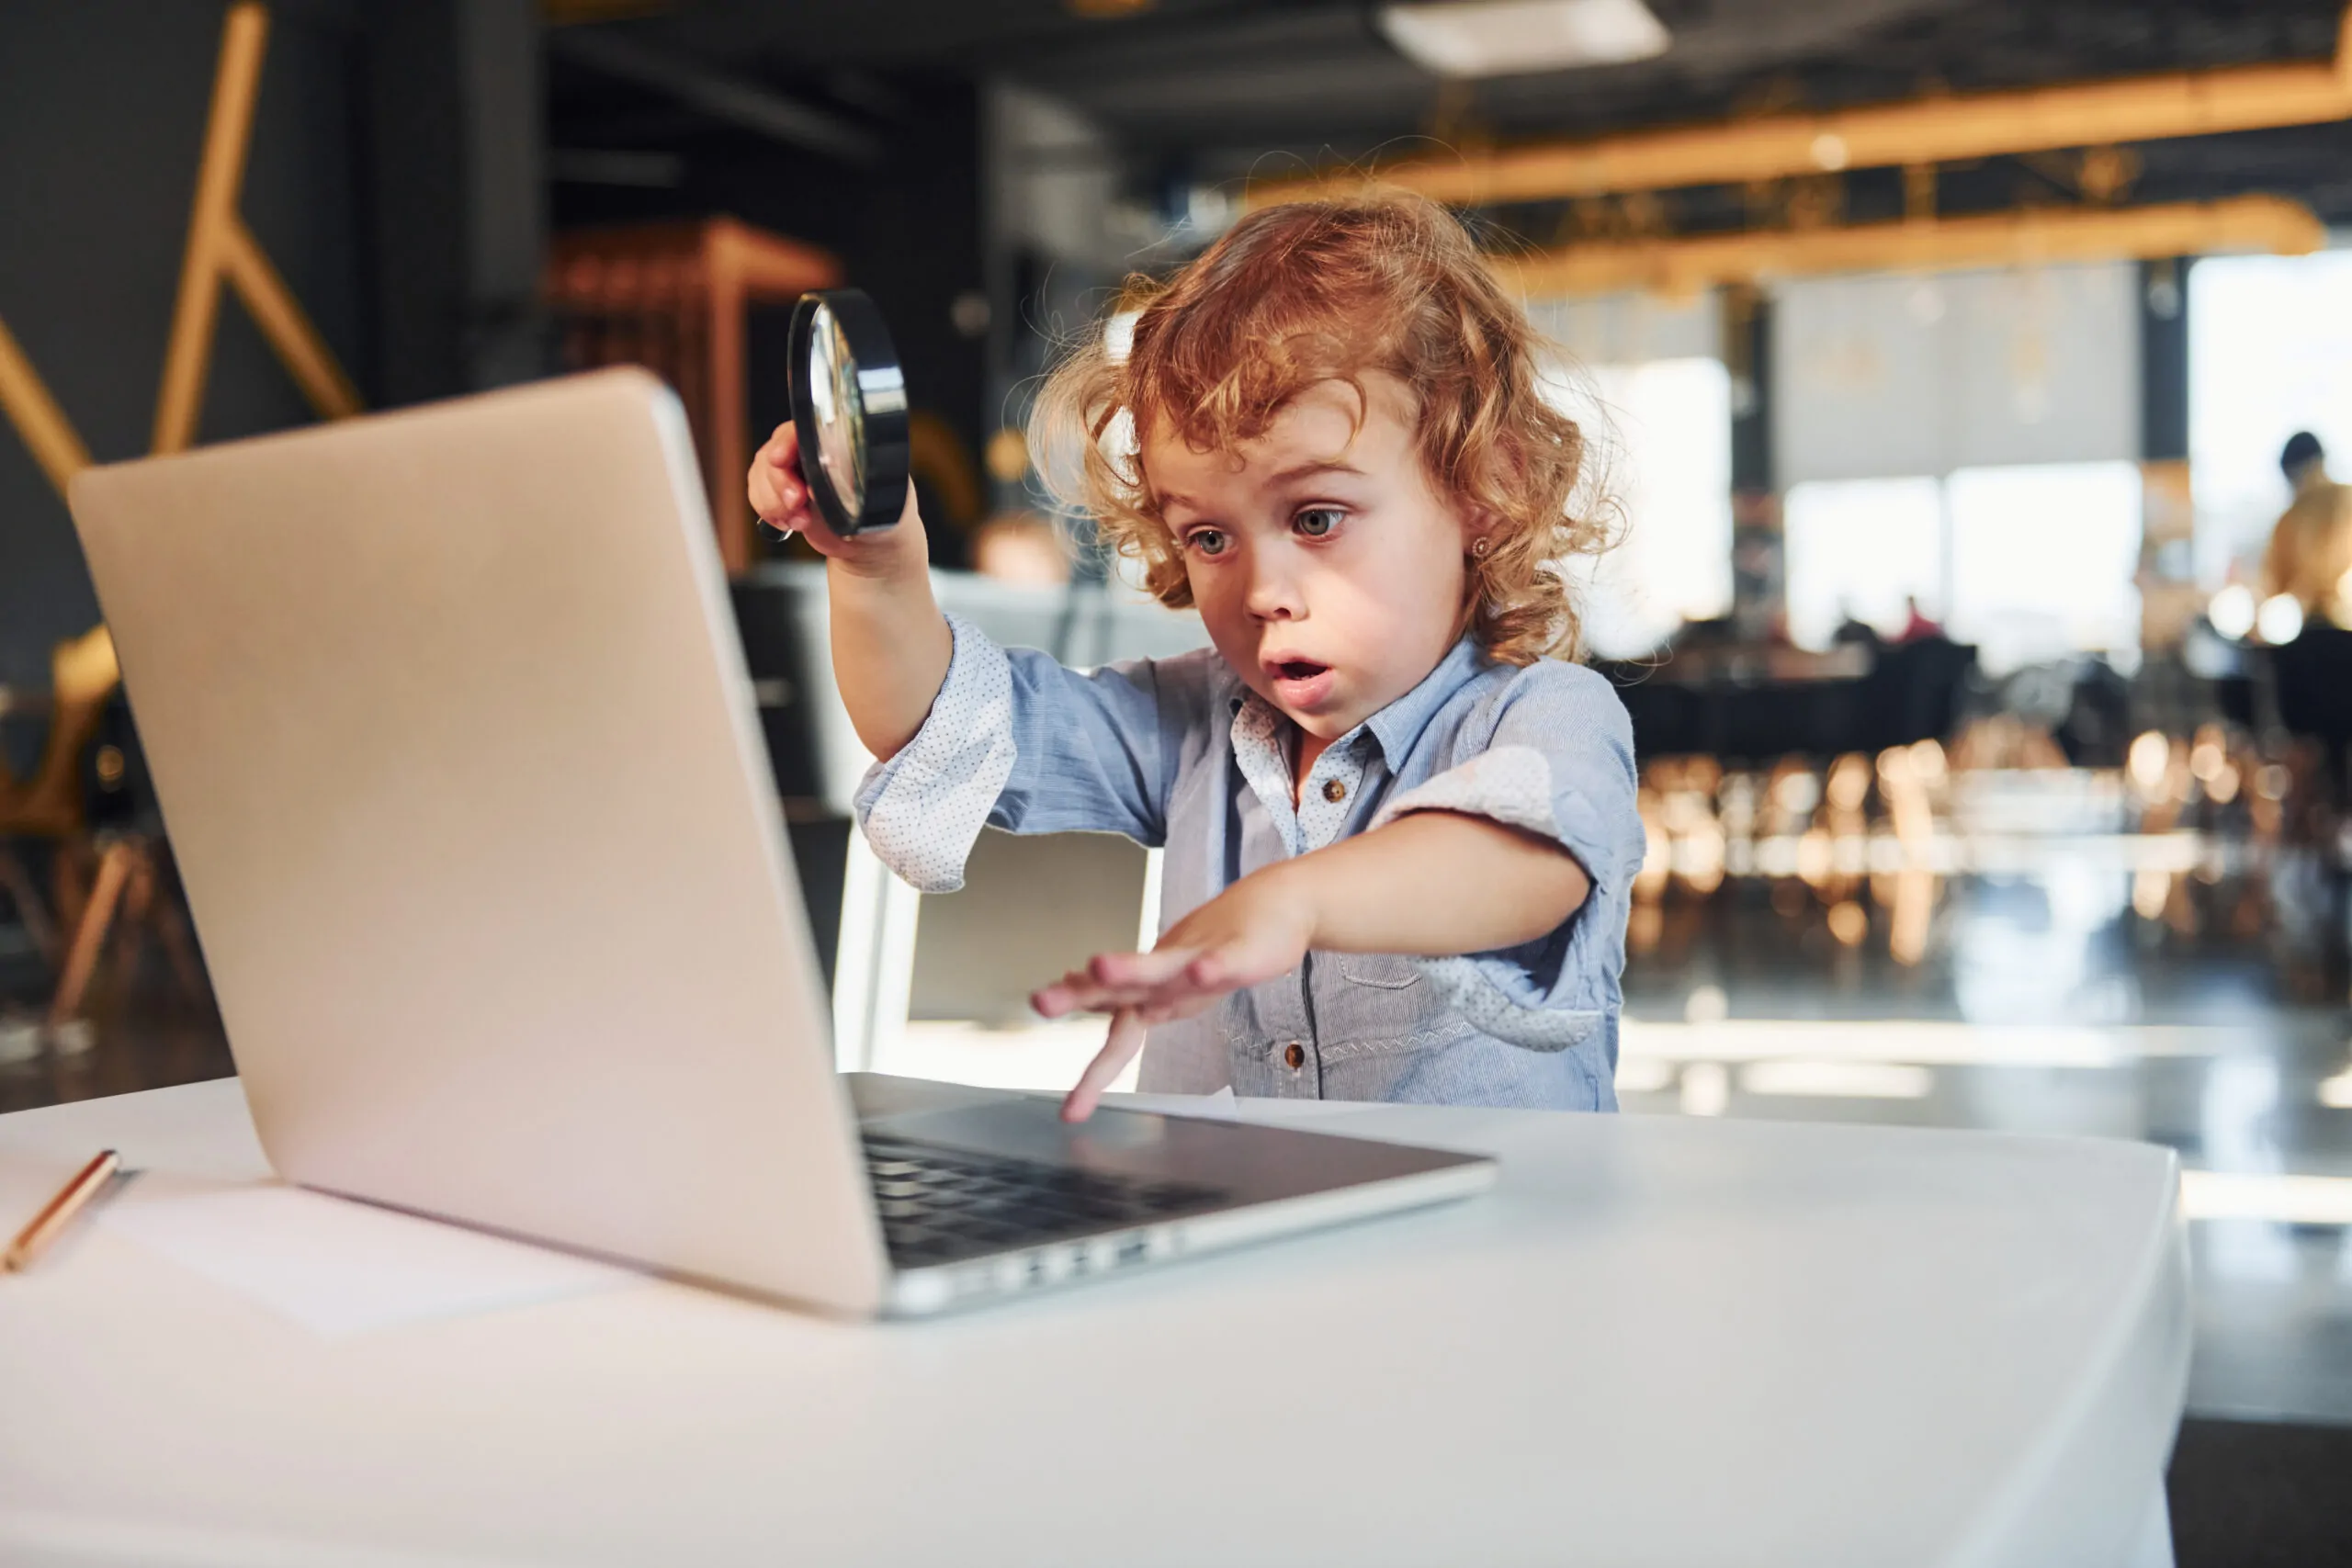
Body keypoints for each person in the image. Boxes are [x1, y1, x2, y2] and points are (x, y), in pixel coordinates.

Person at [749, 192, 1640, 1121]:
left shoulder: (1544, 713)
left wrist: (1290, 902)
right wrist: (876, 560)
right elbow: (931, 719)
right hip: (1242, 1237)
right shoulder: (1191, 727)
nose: (1260, 588)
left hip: (1489, 1257)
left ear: (1484, 489)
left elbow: (1526, 863)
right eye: (1209, 537)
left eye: (1315, 518)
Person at [2260, 431, 2352, 625]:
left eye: (2306, 471)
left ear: (2319, 464)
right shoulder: (2287, 522)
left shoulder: (2347, 501)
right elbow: (2274, 584)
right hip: (2301, 624)